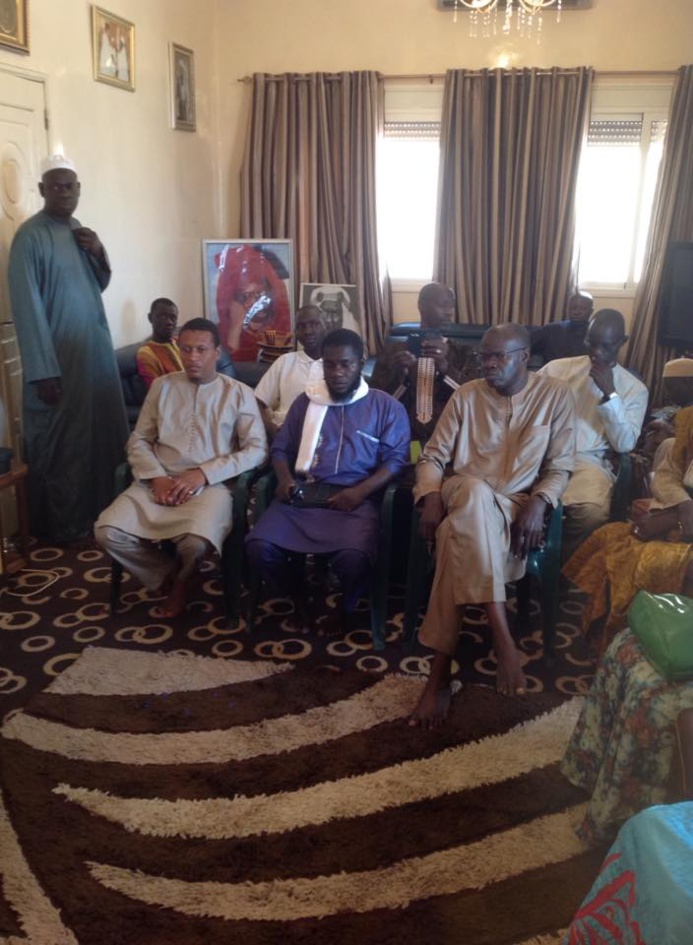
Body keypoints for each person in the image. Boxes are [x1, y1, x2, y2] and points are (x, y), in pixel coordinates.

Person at [409, 324, 576, 728]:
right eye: (484, 356)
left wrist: (540, 501)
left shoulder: (555, 396)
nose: (488, 364)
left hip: (513, 512)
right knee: (473, 492)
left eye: (499, 356)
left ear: (524, 356)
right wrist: (430, 495)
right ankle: (503, 636)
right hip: (464, 493)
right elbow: (432, 456)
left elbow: (560, 466)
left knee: (453, 539)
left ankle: (438, 677)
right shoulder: (467, 396)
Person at [95, 318, 267, 619]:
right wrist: (156, 476)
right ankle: (170, 575)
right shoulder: (162, 387)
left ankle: (181, 581)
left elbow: (256, 450)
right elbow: (139, 439)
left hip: (210, 487)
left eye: (201, 350)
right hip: (155, 483)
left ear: (217, 352)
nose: (193, 358)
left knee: (195, 544)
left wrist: (204, 473)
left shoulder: (238, 393)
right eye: (186, 349)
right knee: (107, 531)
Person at [246, 329, 410, 635]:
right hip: (301, 496)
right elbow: (280, 449)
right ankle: (299, 598)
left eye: (346, 364)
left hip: (354, 501)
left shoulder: (385, 406)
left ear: (361, 363)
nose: (337, 373)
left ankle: (346, 606)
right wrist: (282, 479)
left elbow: (396, 461)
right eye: (330, 364)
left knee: (354, 556)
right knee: (259, 546)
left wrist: (360, 491)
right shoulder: (305, 403)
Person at [8, 154, 128, 546]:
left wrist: (97, 251)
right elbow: (26, 307)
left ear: (79, 190)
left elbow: (98, 284)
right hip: (58, 364)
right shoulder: (30, 236)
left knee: (102, 436)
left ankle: (104, 513)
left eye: (70, 186)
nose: (64, 192)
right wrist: (43, 371)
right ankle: (64, 527)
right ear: (42, 190)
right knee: (64, 446)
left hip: (94, 355)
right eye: (56, 186)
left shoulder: (79, 230)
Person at [563, 405, 693, 652]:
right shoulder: (689, 421)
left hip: (683, 527)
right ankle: (611, 642)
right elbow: (668, 475)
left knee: (654, 560)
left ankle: (658, 645)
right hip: (680, 511)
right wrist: (682, 505)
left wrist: (671, 519)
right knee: (614, 538)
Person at [538, 309, 648, 560]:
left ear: (623, 342)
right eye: (591, 342)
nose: (597, 352)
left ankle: (562, 568)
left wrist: (610, 394)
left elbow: (624, 444)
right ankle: (516, 563)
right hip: (541, 452)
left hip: (586, 462)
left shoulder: (634, 389)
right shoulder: (557, 369)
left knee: (593, 513)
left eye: (606, 346)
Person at [370, 282, 481, 453]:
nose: (449, 311)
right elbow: (376, 404)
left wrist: (445, 368)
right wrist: (403, 377)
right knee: (414, 469)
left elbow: (475, 400)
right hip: (406, 440)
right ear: (421, 305)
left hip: (451, 440)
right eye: (443, 305)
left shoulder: (463, 353)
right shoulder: (393, 353)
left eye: (452, 305)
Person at [254, 305, 326, 439]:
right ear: (295, 332)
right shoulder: (285, 361)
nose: (308, 331)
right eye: (301, 326)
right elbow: (257, 402)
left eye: (314, 324)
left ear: (325, 326)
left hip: (324, 437)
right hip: (284, 434)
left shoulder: (336, 366)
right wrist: (271, 429)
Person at [215, 244, 292, 361]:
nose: (256, 301)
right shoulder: (221, 331)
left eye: (260, 293)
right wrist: (235, 329)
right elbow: (225, 367)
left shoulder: (281, 325)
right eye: (247, 295)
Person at [530, 290, 594, 363]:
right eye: (573, 308)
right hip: (553, 373)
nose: (577, 312)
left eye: (583, 309)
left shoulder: (596, 335)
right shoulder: (552, 329)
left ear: (591, 312)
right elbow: (526, 344)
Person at [136, 298, 183, 390]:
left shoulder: (180, 342)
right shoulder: (146, 353)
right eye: (163, 317)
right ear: (150, 318)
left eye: (173, 318)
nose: (169, 322)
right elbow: (156, 391)